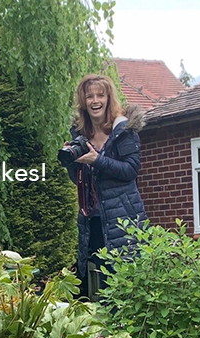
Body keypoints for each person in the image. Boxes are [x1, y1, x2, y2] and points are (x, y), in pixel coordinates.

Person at [60, 73, 147, 299]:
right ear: (83, 101)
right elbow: (78, 180)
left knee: (125, 281)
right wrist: (73, 163)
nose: (95, 101)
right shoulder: (80, 134)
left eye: (100, 95)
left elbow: (130, 170)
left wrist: (97, 160)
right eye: (89, 96)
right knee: (96, 282)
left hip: (123, 218)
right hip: (92, 220)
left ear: (109, 98)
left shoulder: (123, 130)